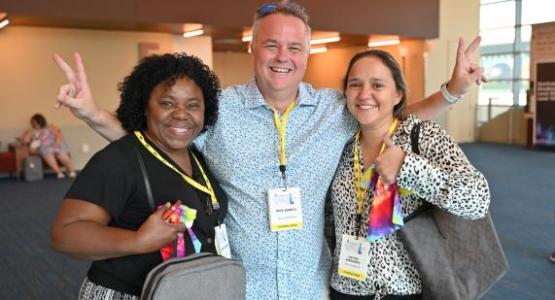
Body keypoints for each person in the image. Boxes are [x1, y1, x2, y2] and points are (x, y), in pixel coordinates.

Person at [52, 2, 486, 299]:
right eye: (271, 45)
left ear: (307, 53)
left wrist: (452, 92)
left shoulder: (334, 108)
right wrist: (90, 112)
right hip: (243, 288)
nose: (283, 57)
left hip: (311, 287)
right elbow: (154, 138)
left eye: (295, 47)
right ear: (252, 48)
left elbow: (387, 110)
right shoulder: (219, 109)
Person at [50, 53, 228, 299]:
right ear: (144, 106)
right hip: (127, 293)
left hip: (185, 289)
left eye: (193, 105)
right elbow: (65, 234)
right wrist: (138, 241)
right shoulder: (119, 160)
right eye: (167, 103)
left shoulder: (197, 157)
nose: (181, 114)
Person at [326, 49, 490, 299]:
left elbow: (477, 199)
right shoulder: (341, 145)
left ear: (397, 94)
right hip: (345, 290)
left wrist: (408, 167)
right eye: (354, 84)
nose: (364, 94)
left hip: (405, 291)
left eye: (377, 85)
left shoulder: (421, 137)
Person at [19, 113, 76, 178]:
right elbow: (24, 140)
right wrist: (28, 135)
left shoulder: (50, 127)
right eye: (33, 123)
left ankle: (71, 171)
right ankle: (59, 173)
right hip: (44, 148)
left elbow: (58, 135)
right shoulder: (32, 131)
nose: (35, 124)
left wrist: (56, 143)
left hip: (54, 145)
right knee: (48, 155)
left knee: (63, 156)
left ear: (40, 121)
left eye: (36, 122)